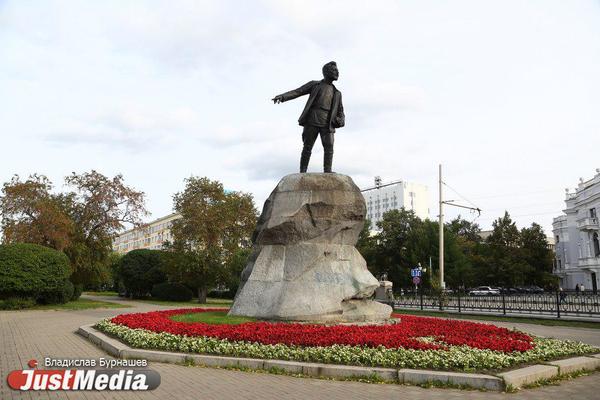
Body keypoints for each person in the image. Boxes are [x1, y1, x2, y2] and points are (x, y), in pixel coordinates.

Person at [272, 61, 345, 173]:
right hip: (312, 119)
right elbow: (298, 91)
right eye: (334, 70)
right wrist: (282, 97)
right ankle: (303, 171)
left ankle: (328, 171)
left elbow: (341, 111)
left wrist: (341, 120)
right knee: (307, 147)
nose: (337, 72)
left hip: (328, 122)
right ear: (326, 72)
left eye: (337, 70)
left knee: (329, 147)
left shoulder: (337, 93)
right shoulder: (315, 85)